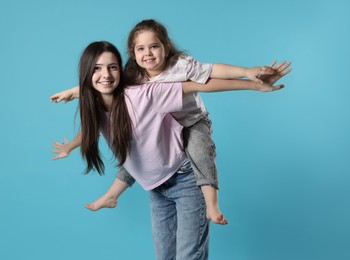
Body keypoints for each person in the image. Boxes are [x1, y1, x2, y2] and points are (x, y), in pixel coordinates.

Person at [51, 41, 291, 259]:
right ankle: (113, 195)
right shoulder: (93, 105)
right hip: (155, 188)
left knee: (188, 256)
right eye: (97, 68)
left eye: (113, 67)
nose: (106, 74)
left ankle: (208, 203)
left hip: (184, 179)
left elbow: (198, 85)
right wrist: (71, 146)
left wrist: (253, 85)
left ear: (121, 71)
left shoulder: (144, 94)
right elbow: (90, 129)